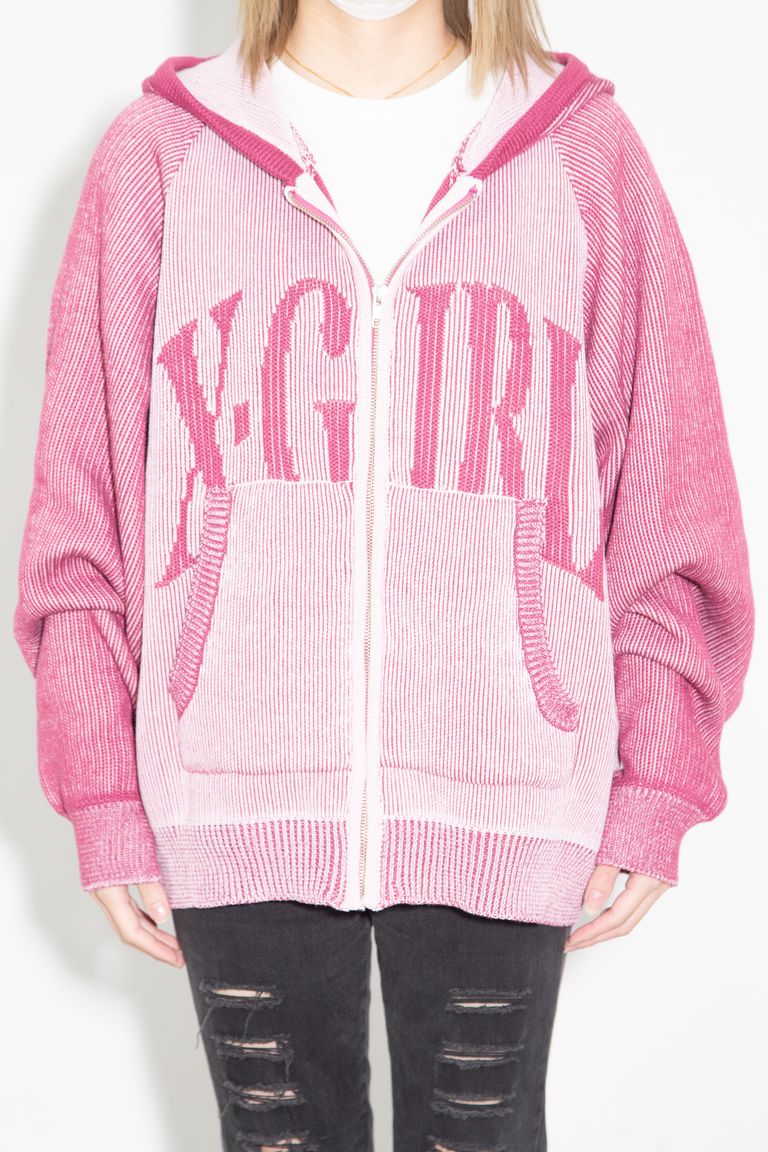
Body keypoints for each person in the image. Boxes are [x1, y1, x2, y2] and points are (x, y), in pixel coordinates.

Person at [13, 0, 755, 1148]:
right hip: (231, 784)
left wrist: (659, 778)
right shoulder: (162, 153)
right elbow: (84, 509)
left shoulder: (580, 150)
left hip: (508, 781)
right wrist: (102, 793)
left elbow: (669, 490)